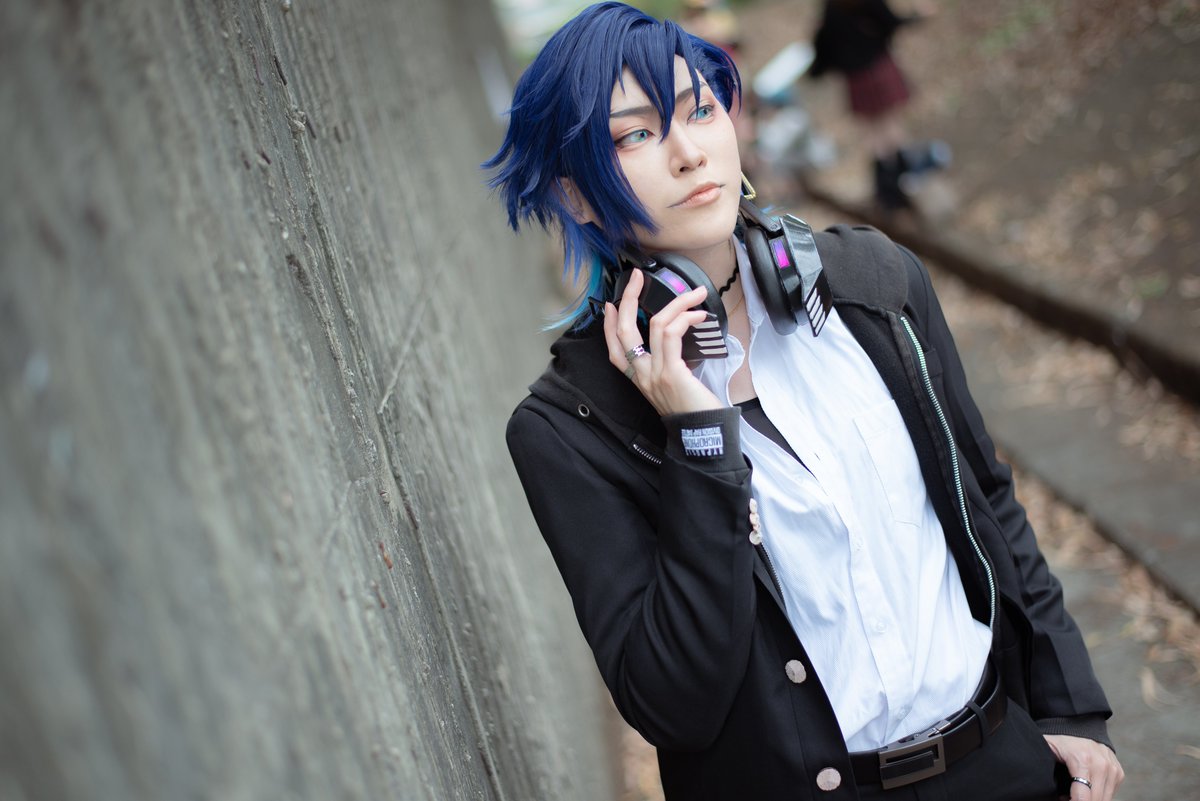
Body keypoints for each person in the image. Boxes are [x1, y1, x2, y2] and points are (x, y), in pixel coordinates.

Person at [484, 3, 1123, 799]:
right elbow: (671, 702)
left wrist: (1070, 704)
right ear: (576, 195)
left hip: (1001, 760)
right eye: (635, 135)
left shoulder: (876, 283)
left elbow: (985, 495)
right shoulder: (569, 429)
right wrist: (700, 442)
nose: (689, 153)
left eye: (700, 110)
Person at [808, 0, 948, 210]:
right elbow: (889, 23)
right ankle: (903, 181)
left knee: (874, 134)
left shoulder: (831, 8)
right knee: (891, 126)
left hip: (856, 79)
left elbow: (823, 48)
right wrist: (917, 16)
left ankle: (888, 190)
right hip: (878, 68)